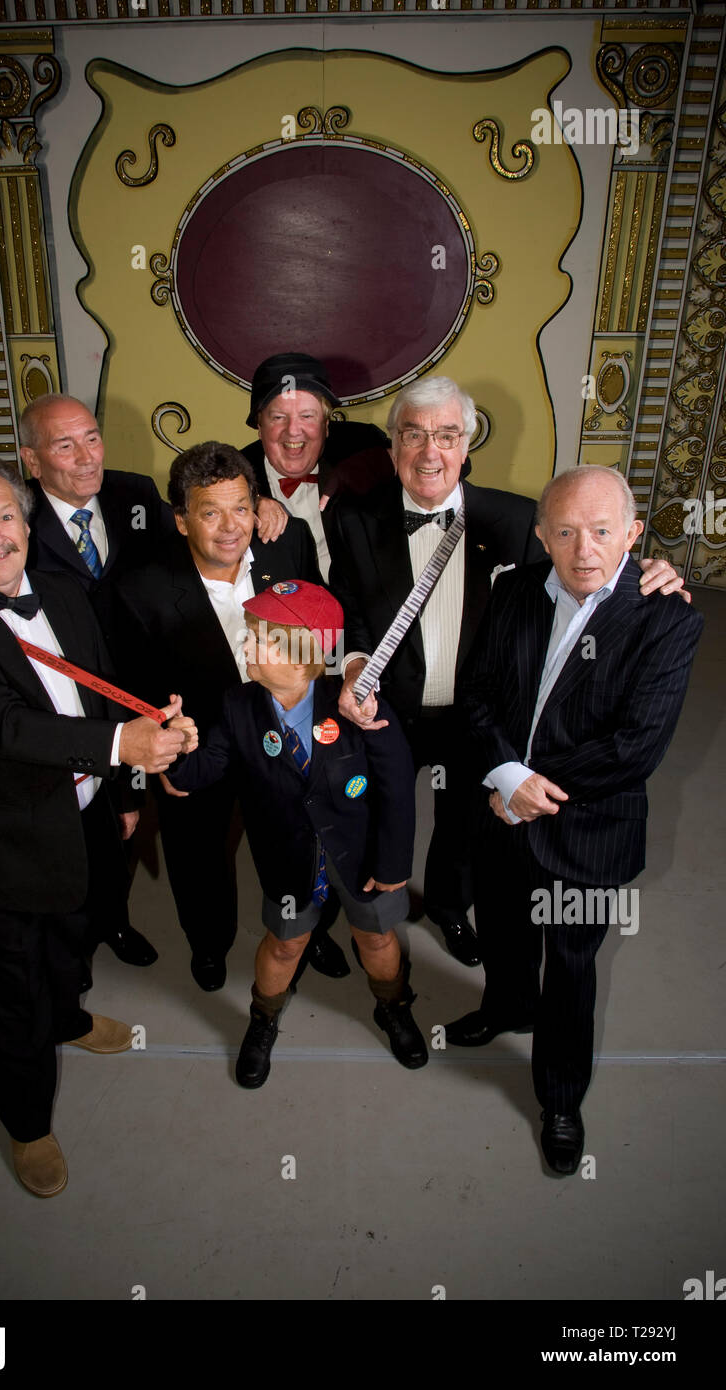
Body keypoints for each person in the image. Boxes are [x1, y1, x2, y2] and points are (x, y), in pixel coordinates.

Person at [0, 396, 283, 971]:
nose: (84, 458)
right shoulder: (6, 515)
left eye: (91, 438)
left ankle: (106, 922)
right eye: (63, 445)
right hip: (72, 699)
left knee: (110, 844)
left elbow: (212, 515)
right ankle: (141, 934)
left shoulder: (134, 494)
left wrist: (258, 506)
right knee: (167, 853)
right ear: (32, 458)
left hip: (116, 686)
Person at [0, 457, 193, 1196]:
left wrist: (121, 790)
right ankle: (27, 1124)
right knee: (10, 992)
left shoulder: (64, 588)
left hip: (85, 812)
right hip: (3, 846)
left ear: (29, 524)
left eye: (6, 518)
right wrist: (126, 749)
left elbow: (99, 694)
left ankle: (69, 1016)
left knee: (74, 935)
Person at [330, 375, 689, 969]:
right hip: (386, 706)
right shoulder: (353, 518)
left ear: (467, 446)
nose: (430, 452)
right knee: (374, 810)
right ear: (392, 447)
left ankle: (448, 906)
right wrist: (357, 664)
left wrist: (649, 570)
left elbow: (584, 564)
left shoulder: (519, 520)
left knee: (465, 824)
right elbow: (347, 604)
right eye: (413, 435)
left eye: (447, 435)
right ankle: (374, 917)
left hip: (479, 712)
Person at [450, 465, 703, 1174]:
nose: (583, 549)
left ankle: (560, 1096)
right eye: (564, 532)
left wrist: (530, 787)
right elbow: (477, 696)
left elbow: (635, 747)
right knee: (502, 922)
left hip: (587, 830)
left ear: (632, 534)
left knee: (569, 966)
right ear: (542, 536)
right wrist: (505, 776)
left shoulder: (670, 619)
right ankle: (504, 1005)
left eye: (600, 531)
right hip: (501, 807)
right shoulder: (515, 592)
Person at [166, 580, 426, 1088]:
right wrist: (174, 745)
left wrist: (393, 865)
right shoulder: (238, 707)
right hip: (289, 863)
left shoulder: (358, 706)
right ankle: (263, 1019)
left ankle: (393, 1007)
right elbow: (194, 774)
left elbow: (397, 787)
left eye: (257, 639)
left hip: (362, 860)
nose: (244, 647)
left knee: (376, 937)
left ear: (303, 654)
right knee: (285, 945)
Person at [114, 442, 349, 990]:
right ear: (180, 520)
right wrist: (159, 753)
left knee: (304, 839)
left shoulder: (286, 543)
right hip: (202, 747)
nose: (230, 527)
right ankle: (209, 944)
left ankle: (310, 931)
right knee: (197, 855)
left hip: (288, 735)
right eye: (210, 511)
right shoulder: (139, 589)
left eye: (241, 507)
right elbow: (132, 686)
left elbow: (322, 634)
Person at [241, 353, 392, 580]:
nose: (293, 430)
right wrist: (248, 500)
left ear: (327, 424)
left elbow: (450, 466)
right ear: (259, 427)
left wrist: (377, 463)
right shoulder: (236, 472)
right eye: (279, 417)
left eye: (307, 416)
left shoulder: (360, 444)